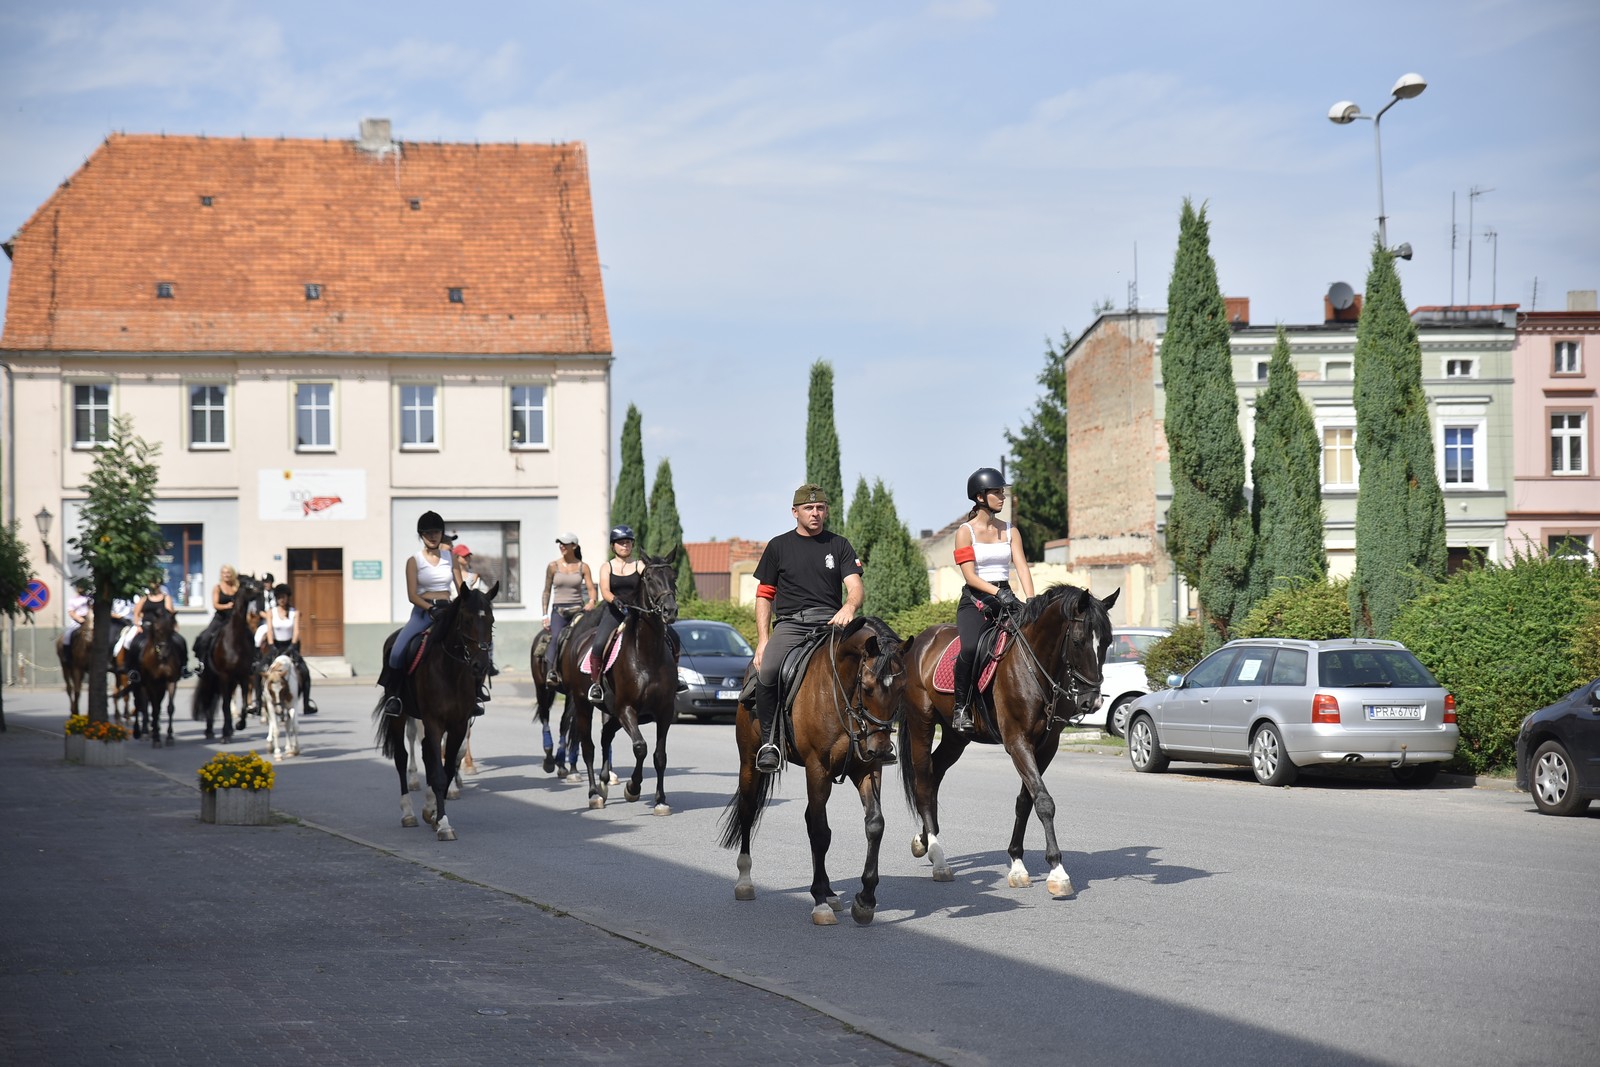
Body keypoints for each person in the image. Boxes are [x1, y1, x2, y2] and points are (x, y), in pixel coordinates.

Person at [750, 483, 872, 773]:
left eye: (820, 508)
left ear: (826, 511)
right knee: (767, 671)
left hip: (832, 623)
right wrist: (763, 640)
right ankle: (770, 743)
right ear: (795, 512)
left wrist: (849, 607)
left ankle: (876, 737)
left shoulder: (839, 545)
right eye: (808, 508)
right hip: (792, 624)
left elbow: (855, 587)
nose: (815, 513)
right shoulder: (778, 546)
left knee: (874, 661)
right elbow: (764, 596)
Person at [949, 467, 1036, 733]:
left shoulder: (1011, 531)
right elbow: (969, 576)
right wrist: (998, 593)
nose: (1002, 497)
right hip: (976, 600)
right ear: (980, 497)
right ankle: (961, 708)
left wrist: (1031, 600)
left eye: (1002, 492)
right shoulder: (965, 532)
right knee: (970, 649)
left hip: (1007, 598)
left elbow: (1021, 567)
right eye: (997, 492)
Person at [378, 510, 467, 718]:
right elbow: (412, 595)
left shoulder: (451, 558)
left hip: (447, 609)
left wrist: (470, 600)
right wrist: (430, 608)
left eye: (436, 532)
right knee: (397, 650)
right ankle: (395, 696)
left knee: (473, 645)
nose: (433, 536)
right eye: (428, 533)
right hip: (423, 611)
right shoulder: (414, 561)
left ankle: (475, 693)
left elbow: (460, 587)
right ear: (421, 535)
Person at [585, 525, 644, 704]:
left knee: (670, 636)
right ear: (613, 546)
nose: (625, 545)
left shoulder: (640, 565)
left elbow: (649, 584)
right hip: (615, 612)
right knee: (599, 644)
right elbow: (604, 590)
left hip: (638, 613)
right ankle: (596, 685)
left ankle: (675, 678)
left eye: (628, 542)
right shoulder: (607, 566)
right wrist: (617, 601)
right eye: (620, 542)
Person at [541, 533, 595, 685]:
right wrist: (545, 615)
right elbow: (546, 591)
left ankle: (589, 673)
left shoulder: (583, 567)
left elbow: (591, 588)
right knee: (557, 637)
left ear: (574, 546)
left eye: (565, 543)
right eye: (560, 543)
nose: (562, 546)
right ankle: (552, 672)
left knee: (587, 638)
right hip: (559, 610)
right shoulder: (553, 566)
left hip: (578, 610)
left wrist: (591, 601)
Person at [257, 583, 318, 714]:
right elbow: (269, 630)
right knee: (259, 670)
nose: (281, 600)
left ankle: (306, 704)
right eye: (279, 597)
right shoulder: (271, 612)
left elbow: (296, 631)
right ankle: (257, 704)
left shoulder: (294, 612)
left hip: (290, 646)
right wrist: (272, 645)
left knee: (305, 672)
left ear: (288, 597)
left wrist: (292, 646)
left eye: (283, 597)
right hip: (275, 646)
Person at [192, 565, 241, 673]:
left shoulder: (236, 588)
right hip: (220, 618)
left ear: (232, 574)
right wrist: (226, 606)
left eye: (228, 572)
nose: (226, 575)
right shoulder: (217, 587)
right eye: (224, 573)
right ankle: (202, 663)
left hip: (233, 620)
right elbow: (215, 605)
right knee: (205, 637)